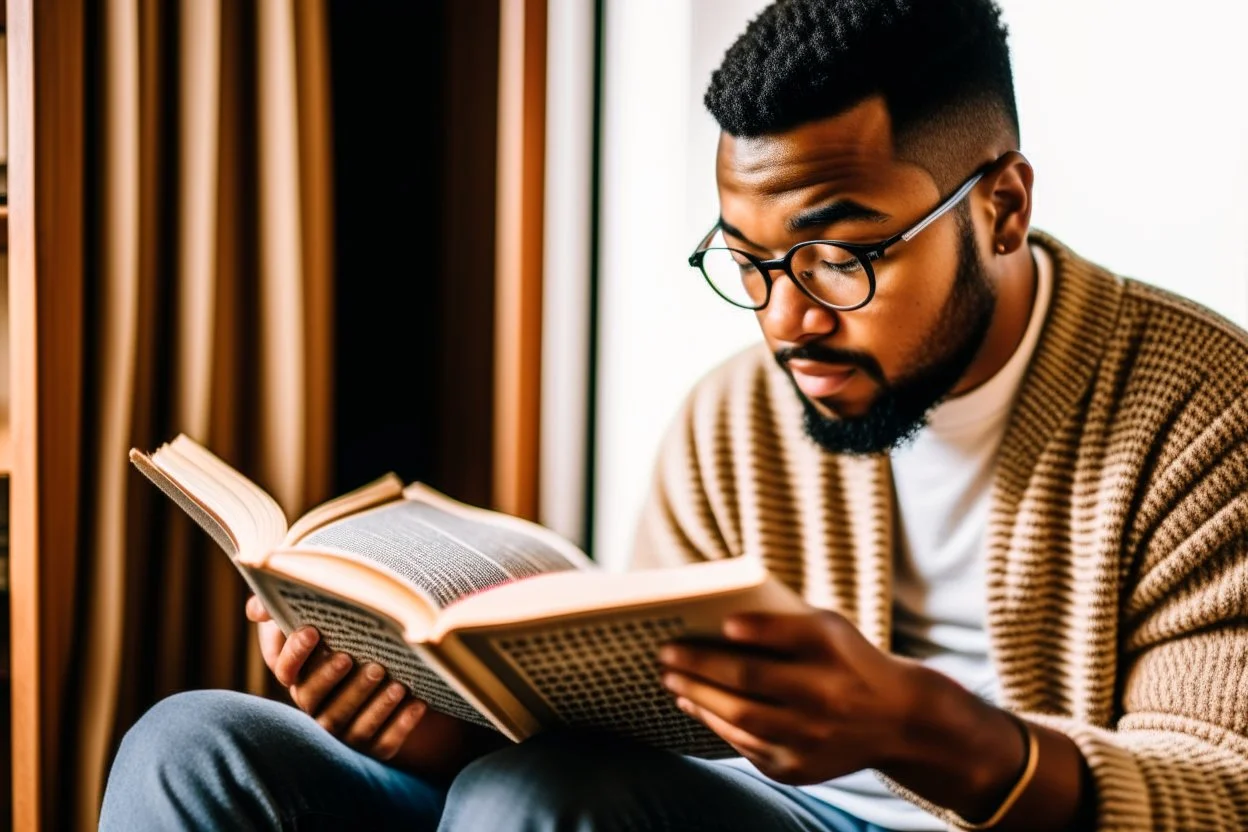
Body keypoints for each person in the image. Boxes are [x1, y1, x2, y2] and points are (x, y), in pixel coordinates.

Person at [99, 1, 1248, 830]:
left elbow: (1223, 791)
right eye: (748, 262)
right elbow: (640, 739)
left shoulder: (1203, 413)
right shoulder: (734, 419)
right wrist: (436, 723)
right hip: (734, 808)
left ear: (1001, 206)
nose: (787, 320)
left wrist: (915, 726)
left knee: (538, 797)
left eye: (841, 257)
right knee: (198, 744)